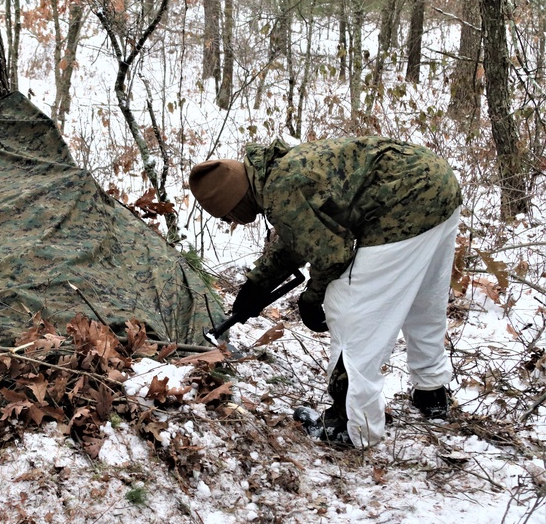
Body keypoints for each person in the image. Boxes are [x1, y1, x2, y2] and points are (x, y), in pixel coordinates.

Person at [189, 136, 462, 448]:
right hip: (438, 184)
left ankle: (351, 427)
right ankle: (432, 392)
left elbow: (332, 255)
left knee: (347, 311)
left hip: (402, 207)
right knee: (423, 301)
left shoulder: (280, 188)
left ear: (234, 199)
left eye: (227, 215)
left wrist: (312, 297)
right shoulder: (278, 170)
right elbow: (300, 235)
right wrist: (257, 284)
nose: (232, 222)